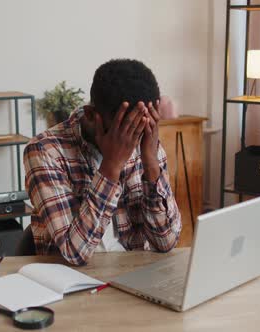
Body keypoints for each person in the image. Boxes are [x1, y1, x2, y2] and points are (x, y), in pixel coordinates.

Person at [24, 59, 181, 265]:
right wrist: (111, 166)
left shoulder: (146, 143)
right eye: (123, 130)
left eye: (139, 128)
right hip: (72, 281)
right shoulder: (45, 151)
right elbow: (75, 253)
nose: (132, 141)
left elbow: (166, 242)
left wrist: (151, 164)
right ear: (91, 115)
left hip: (134, 274)